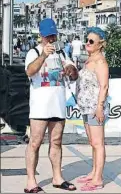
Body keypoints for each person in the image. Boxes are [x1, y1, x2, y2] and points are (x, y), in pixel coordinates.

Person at [24, 18, 78, 193]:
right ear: (41, 35)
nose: (51, 39)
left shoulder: (62, 53)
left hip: (58, 105)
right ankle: (31, 181)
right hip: (40, 106)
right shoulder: (33, 52)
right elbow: (30, 72)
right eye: (48, 36)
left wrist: (72, 71)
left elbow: (74, 74)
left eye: (53, 35)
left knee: (56, 141)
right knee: (35, 142)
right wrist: (44, 55)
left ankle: (57, 177)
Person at [76, 27, 109, 191]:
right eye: (86, 40)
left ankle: (98, 178)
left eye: (91, 41)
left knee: (98, 143)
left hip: (95, 108)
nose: (87, 43)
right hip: (86, 107)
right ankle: (94, 172)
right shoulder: (89, 60)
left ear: (100, 44)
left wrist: (100, 107)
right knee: (92, 142)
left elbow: (104, 86)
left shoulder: (100, 62)